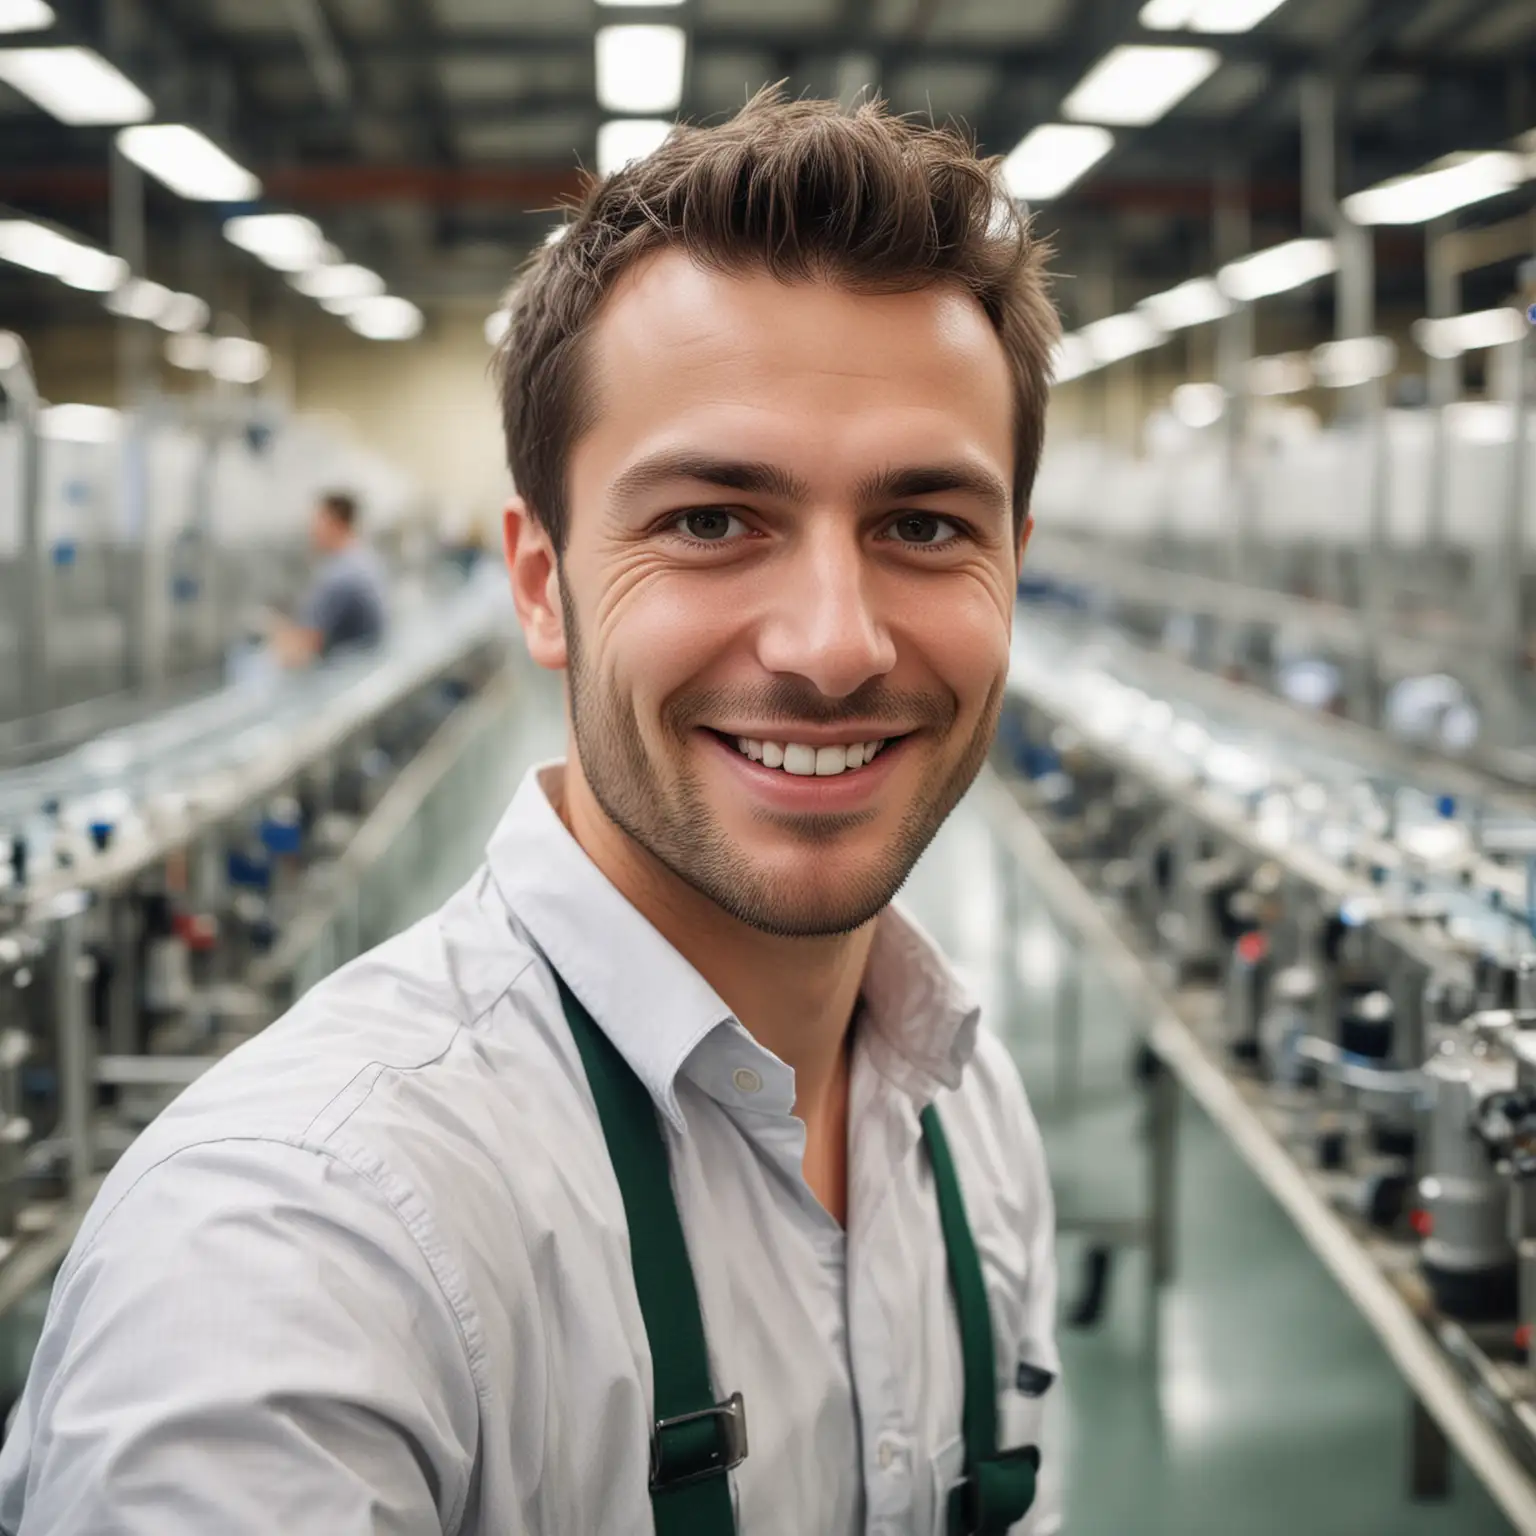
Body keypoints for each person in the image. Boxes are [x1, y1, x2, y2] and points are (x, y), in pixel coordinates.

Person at [0, 91, 1062, 1534]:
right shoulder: (294, 1254)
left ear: (1016, 560)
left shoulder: (966, 1119)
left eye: (926, 526)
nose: (835, 646)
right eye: (709, 520)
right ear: (537, 579)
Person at [269, 490, 388, 665]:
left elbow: (300, 650)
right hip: (367, 663)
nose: (311, 530)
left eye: (317, 521)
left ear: (335, 523)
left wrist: (273, 631)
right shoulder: (366, 560)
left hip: (345, 673)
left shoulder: (339, 576)